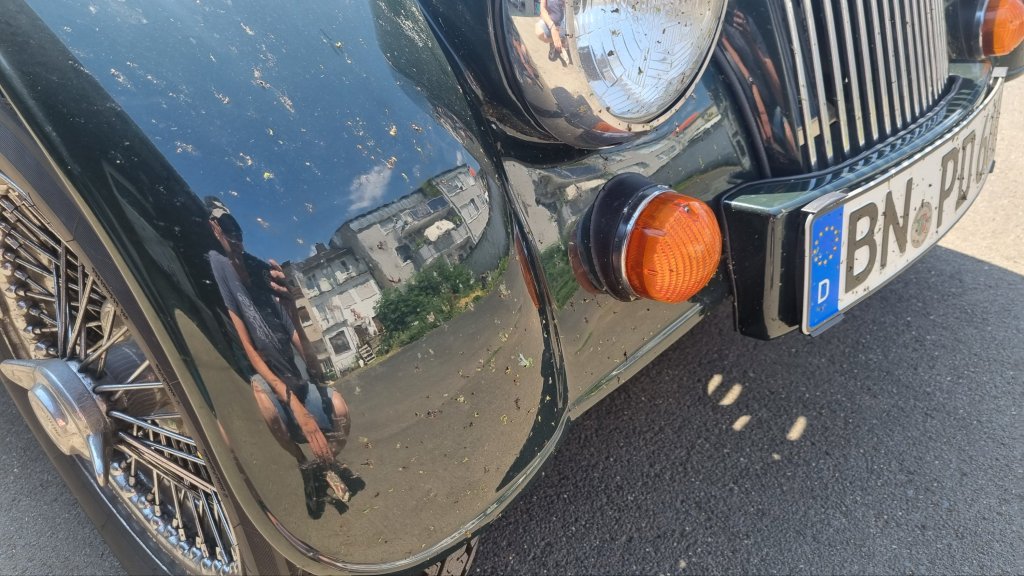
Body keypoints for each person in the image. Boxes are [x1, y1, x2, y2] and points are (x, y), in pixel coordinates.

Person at [205, 196, 353, 513]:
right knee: (267, 405)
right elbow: (249, 348)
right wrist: (297, 410)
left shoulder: (261, 273)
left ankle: (324, 465)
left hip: (294, 376)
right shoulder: (220, 266)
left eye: (238, 230)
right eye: (226, 229)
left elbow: (304, 351)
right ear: (215, 229)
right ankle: (303, 464)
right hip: (266, 377)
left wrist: (294, 310)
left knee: (341, 410)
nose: (235, 237)